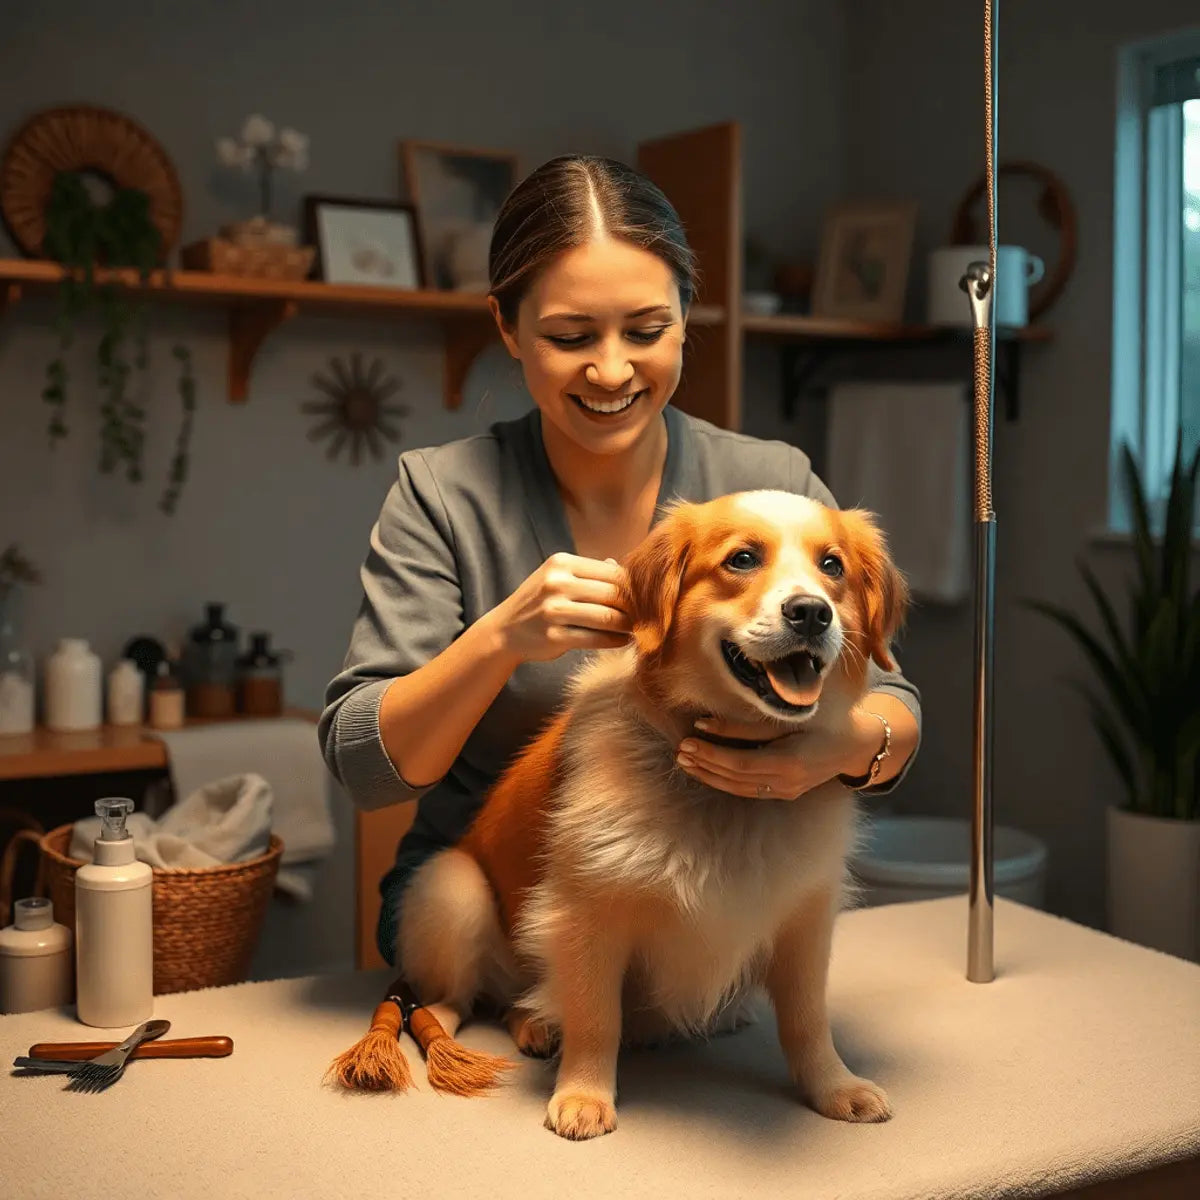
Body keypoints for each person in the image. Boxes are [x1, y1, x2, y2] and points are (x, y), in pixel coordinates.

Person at [318, 155, 922, 969]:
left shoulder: (775, 486)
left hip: (707, 927)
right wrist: (500, 639)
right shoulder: (442, 495)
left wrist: (841, 750)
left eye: (646, 331)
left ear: (685, 318)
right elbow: (366, 765)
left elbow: (892, 699)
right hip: (493, 921)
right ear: (506, 327)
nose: (611, 370)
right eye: (570, 337)